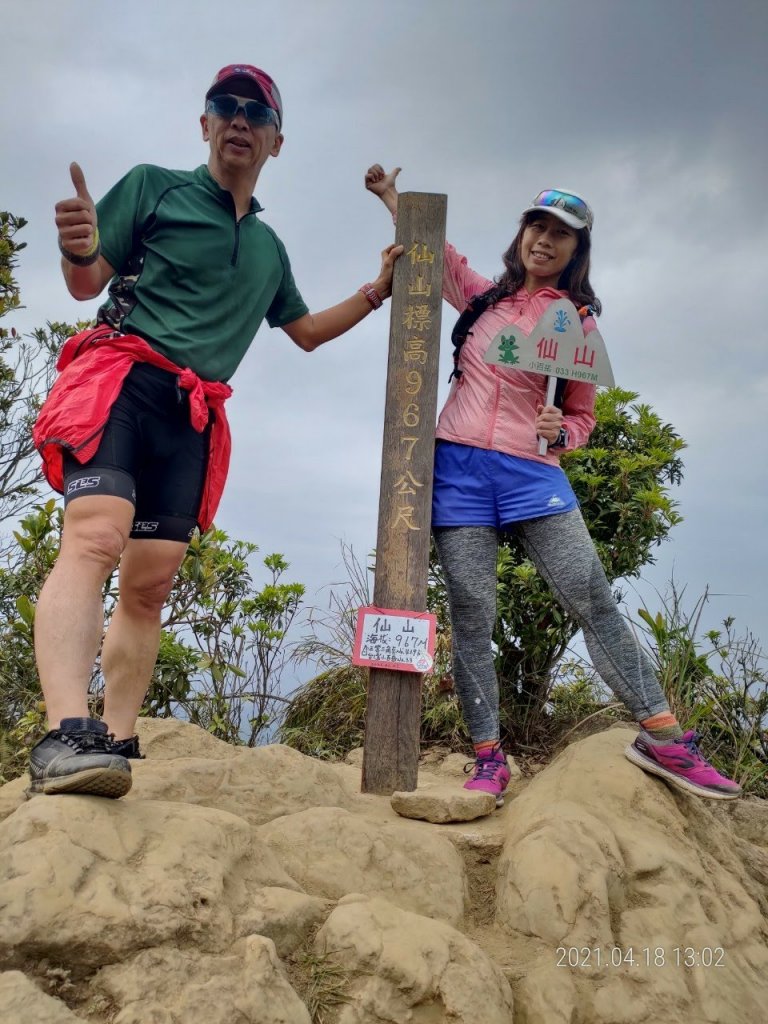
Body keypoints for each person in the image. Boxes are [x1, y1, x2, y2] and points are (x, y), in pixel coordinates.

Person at [26, 65, 402, 800]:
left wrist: (374, 291)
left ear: (276, 141)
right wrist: (77, 246)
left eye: (254, 111)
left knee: (151, 581)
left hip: (193, 412)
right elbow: (86, 281)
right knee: (96, 539)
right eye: (224, 106)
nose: (238, 118)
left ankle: (120, 740)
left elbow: (306, 333)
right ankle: (66, 733)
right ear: (204, 125)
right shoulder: (153, 186)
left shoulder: (268, 250)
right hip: (123, 380)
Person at [365, 164, 741, 806]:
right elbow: (439, 254)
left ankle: (665, 736)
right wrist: (391, 198)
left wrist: (559, 431)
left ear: (576, 250)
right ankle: (489, 757)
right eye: (536, 226)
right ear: (522, 236)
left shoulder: (579, 326)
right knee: (473, 617)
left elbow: (583, 418)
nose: (544, 239)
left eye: (560, 233)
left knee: (591, 598)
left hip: (532, 474)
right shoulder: (482, 301)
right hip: (456, 470)